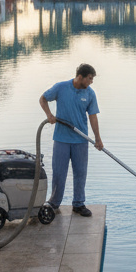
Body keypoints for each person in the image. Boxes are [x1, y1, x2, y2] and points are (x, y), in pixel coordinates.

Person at [39, 63, 103, 216]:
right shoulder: (61, 88)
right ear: (80, 77)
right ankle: (54, 203)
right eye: (89, 78)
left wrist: (98, 139)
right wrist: (49, 115)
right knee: (59, 172)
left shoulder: (90, 93)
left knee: (80, 173)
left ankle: (78, 204)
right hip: (61, 139)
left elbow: (93, 117)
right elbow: (43, 99)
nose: (91, 82)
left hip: (80, 140)